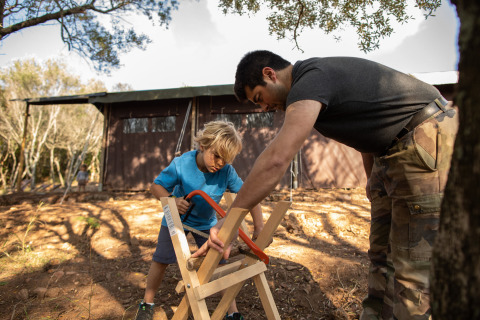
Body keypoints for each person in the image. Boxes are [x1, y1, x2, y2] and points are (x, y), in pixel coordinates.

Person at [192, 50, 459, 319]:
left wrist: (228, 225)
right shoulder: (316, 83)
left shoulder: (310, 80)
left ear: (270, 74)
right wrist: (371, 175)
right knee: (382, 258)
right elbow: (366, 122)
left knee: (412, 271)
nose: (263, 108)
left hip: (423, 137)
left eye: (260, 98)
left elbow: (276, 159)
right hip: (388, 152)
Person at [135, 120, 264, 320]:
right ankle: (147, 303)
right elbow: (156, 186)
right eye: (217, 156)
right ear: (203, 145)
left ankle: (232, 313)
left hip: (207, 223)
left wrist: (259, 226)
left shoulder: (226, 171)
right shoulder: (182, 164)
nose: (220, 163)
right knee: (161, 260)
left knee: (219, 263)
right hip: (176, 219)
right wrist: (172, 201)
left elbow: (250, 195)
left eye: (226, 159)